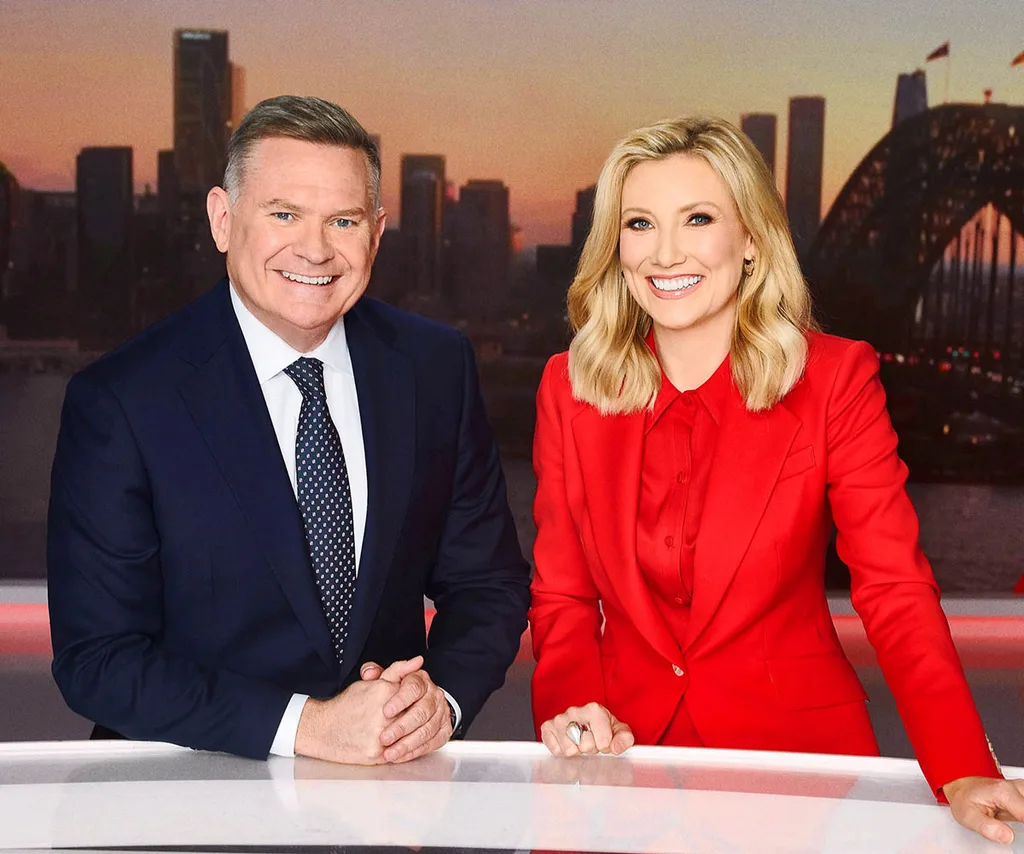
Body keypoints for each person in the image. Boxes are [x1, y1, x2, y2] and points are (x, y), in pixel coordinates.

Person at [529, 116, 1024, 844]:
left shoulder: (834, 379)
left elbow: (892, 588)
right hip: (617, 767)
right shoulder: (569, 387)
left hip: (798, 767)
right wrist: (573, 707)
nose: (665, 253)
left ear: (752, 239)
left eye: (698, 218)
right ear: (616, 247)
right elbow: (563, 594)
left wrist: (960, 763)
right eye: (640, 224)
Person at [47, 95, 530, 766]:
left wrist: (439, 703)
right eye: (283, 214)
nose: (315, 248)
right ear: (223, 219)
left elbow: (487, 582)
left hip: (388, 802)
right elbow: (97, 660)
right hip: (189, 802)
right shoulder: (123, 401)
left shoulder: (434, 367)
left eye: (343, 220)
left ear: (378, 232)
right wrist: (306, 727)